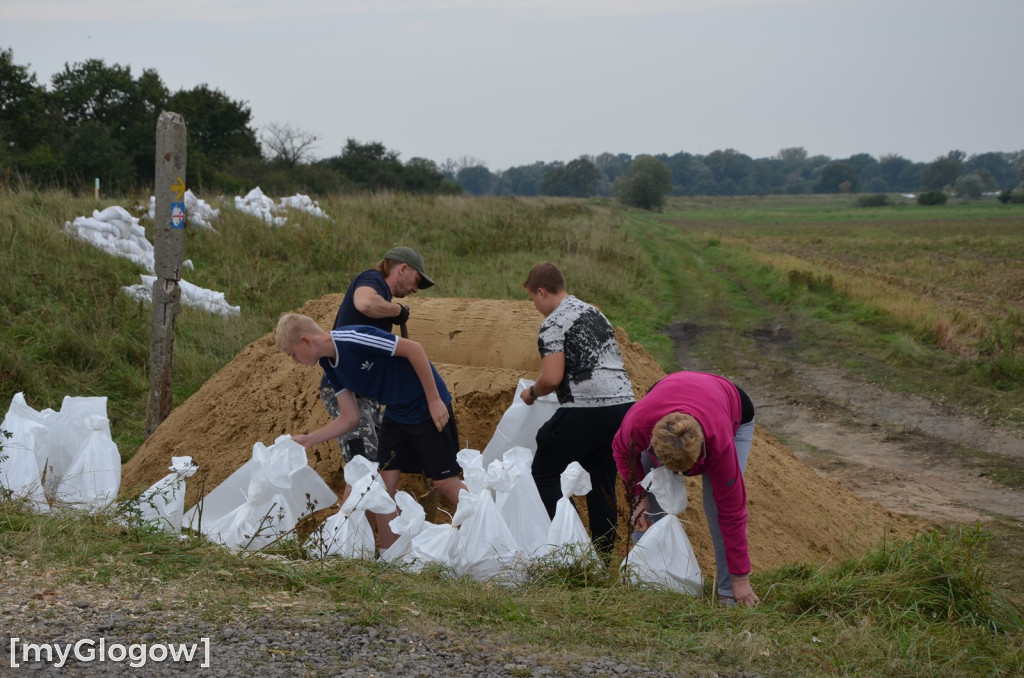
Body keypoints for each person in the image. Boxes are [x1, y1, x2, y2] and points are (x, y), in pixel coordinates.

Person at [276, 312, 465, 549]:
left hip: (424, 406)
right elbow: (350, 418)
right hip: (396, 413)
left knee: (445, 481)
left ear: (305, 340)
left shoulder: (353, 339)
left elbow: (414, 349)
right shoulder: (329, 365)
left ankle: (489, 528)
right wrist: (310, 440)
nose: (295, 361)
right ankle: (390, 557)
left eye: (293, 355)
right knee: (383, 485)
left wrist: (434, 400)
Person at [612, 371, 759, 607]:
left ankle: (729, 594)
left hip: (733, 410)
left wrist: (741, 577)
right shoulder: (639, 424)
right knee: (649, 503)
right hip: (669, 398)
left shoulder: (719, 445)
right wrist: (638, 496)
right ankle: (645, 580)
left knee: (716, 509)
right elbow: (621, 452)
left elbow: (732, 514)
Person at [519, 262, 635, 557]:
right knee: (602, 481)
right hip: (624, 408)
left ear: (542, 292)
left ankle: (571, 546)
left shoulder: (553, 323)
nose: (534, 306)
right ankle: (602, 558)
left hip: (587, 409)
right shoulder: (595, 312)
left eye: (533, 299)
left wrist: (531, 393)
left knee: (544, 469)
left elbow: (552, 378)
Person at [319, 246, 435, 464]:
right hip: (345, 390)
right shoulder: (373, 279)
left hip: (365, 391)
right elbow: (364, 303)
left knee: (386, 458)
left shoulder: (382, 295)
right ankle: (359, 498)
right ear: (402, 268)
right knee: (364, 464)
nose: (416, 289)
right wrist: (397, 311)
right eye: (417, 280)